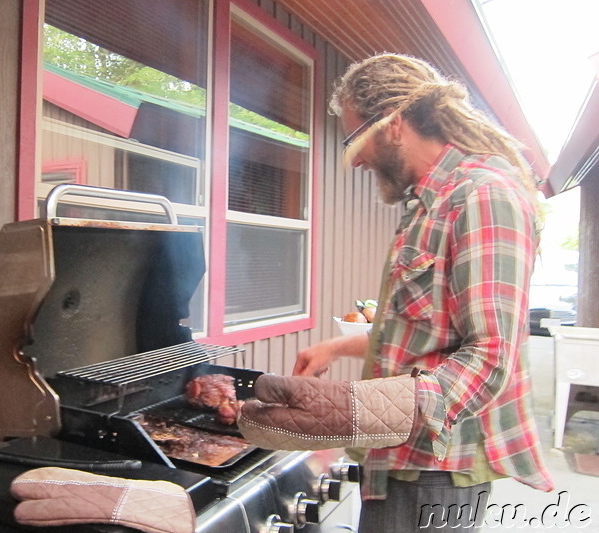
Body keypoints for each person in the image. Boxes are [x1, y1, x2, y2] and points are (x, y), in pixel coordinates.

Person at [237, 53, 554, 532]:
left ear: (395, 123)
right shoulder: (426, 205)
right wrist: (338, 346)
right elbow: (423, 330)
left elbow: (491, 356)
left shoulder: (483, 195)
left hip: (437, 471)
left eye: (354, 140)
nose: (356, 159)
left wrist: (354, 411)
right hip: (396, 459)